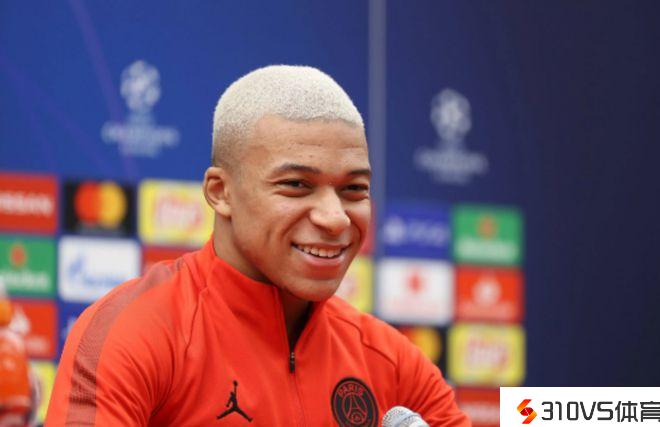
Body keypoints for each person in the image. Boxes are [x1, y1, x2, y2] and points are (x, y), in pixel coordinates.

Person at [46, 65, 469, 426]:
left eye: (354, 189)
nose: (335, 217)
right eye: (297, 185)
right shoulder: (133, 333)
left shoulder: (391, 363)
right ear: (221, 192)